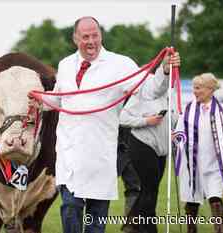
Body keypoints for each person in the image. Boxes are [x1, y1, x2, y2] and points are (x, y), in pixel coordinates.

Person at [30, 16, 180, 233]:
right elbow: (60, 99)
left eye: (95, 35)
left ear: (101, 35)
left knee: (95, 218)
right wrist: (39, 98)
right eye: (85, 37)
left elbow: (150, 90)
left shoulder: (120, 64)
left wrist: (164, 70)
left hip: (99, 156)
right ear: (75, 39)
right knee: (70, 207)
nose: (91, 41)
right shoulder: (65, 65)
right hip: (69, 154)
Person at [174, 73, 223, 233]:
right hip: (192, 165)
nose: (195, 91)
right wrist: (177, 137)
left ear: (210, 89)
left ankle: (220, 231)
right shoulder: (188, 109)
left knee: (215, 199)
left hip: (215, 165)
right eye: (194, 88)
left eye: (198, 88)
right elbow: (179, 134)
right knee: (191, 202)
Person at [118, 92, 177, 233]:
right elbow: (123, 118)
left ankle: (133, 223)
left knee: (151, 190)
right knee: (146, 189)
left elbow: (171, 121)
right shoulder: (142, 93)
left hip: (161, 149)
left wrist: (171, 132)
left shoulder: (170, 95)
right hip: (140, 144)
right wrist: (146, 121)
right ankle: (145, 227)